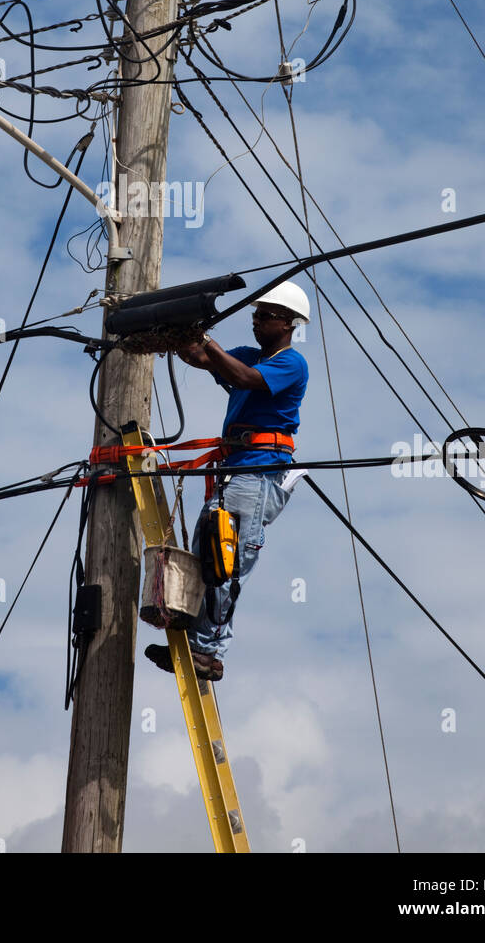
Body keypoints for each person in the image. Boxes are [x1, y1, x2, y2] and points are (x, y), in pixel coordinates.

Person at [145, 282, 309, 683]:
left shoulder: (290, 363)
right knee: (207, 558)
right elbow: (202, 357)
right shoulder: (250, 356)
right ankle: (194, 635)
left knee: (225, 565)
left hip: (259, 475)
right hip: (233, 472)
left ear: (288, 324)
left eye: (265, 315)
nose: (256, 321)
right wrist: (181, 333)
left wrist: (209, 341)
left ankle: (210, 652)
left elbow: (246, 377)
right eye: (255, 314)